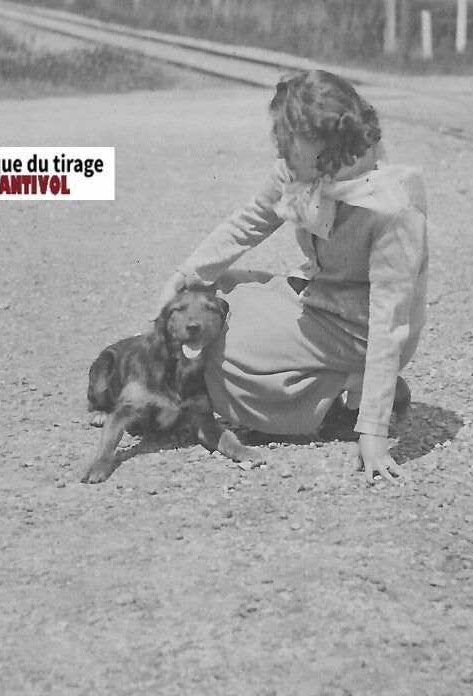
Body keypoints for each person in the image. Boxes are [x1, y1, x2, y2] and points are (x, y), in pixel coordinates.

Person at [155, 70, 429, 485]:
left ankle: (353, 393)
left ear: (323, 144)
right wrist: (184, 274)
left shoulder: (390, 204)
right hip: (322, 297)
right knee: (209, 293)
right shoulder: (305, 169)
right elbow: (249, 220)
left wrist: (373, 432)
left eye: (289, 143)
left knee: (225, 345)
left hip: (361, 327)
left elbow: (389, 321)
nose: (281, 153)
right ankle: (335, 386)